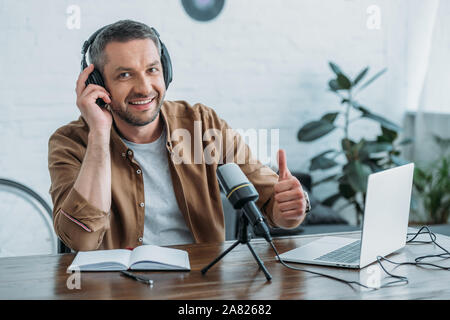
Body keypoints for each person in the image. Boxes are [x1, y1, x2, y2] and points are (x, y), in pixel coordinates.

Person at [48, 20, 309, 251]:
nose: (144, 88)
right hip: (118, 288)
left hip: (200, 285)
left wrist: (288, 210)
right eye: (124, 75)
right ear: (98, 83)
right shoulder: (71, 143)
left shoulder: (203, 125)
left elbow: (270, 201)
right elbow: (81, 241)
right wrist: (99, 135)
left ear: (166, 71)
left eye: (152, 69)